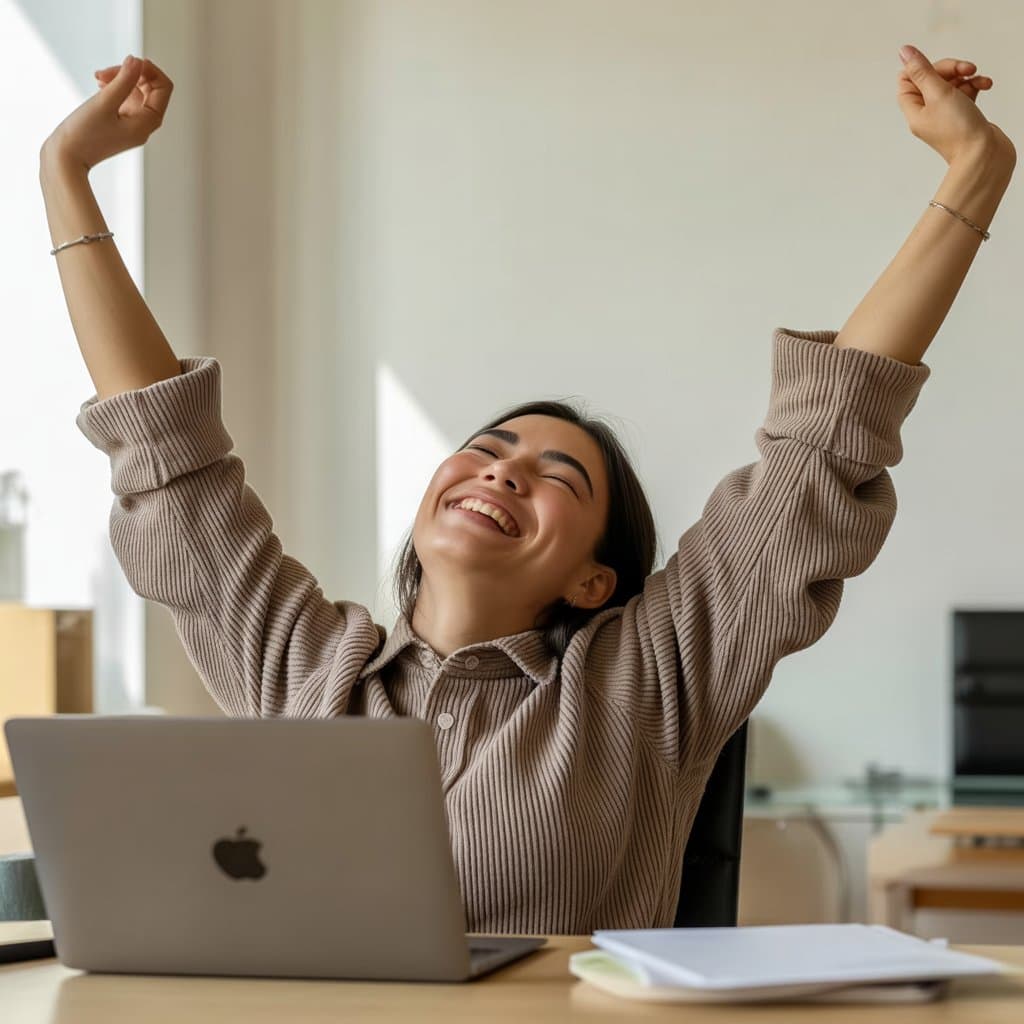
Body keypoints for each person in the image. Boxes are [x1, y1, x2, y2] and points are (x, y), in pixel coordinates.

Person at [40, 45, 1015, 935]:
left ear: (595, 579)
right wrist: (67, 178)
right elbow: (167, 452)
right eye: (486, 448)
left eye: (559, 476)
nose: (503, 468)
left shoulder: (648, 682)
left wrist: (974, 176)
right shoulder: (303, 666)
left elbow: (822, 441)